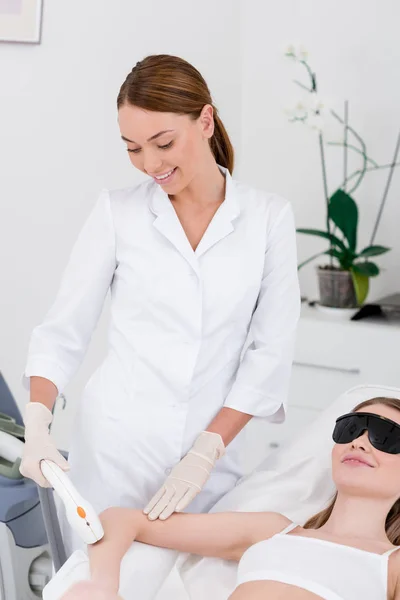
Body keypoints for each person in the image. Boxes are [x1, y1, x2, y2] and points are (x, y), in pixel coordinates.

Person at [19, 54, 300, 590]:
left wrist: (207, 450)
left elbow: (269, 353)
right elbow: (63, 332)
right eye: (132, 148)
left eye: (163, 143)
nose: (150, 163)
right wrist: (36, 423)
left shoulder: (268, 219)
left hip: (213, 460)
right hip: (115, 453)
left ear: (206, 121)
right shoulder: (117, 213)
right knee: (101, 583)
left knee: (188, 586)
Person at [61, 396, 400, 600]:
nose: (360, 442)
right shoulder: (272, 532)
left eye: (386, 436)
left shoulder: (391, 564)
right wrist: (102, 587)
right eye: (352, 428)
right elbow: (122, 519)